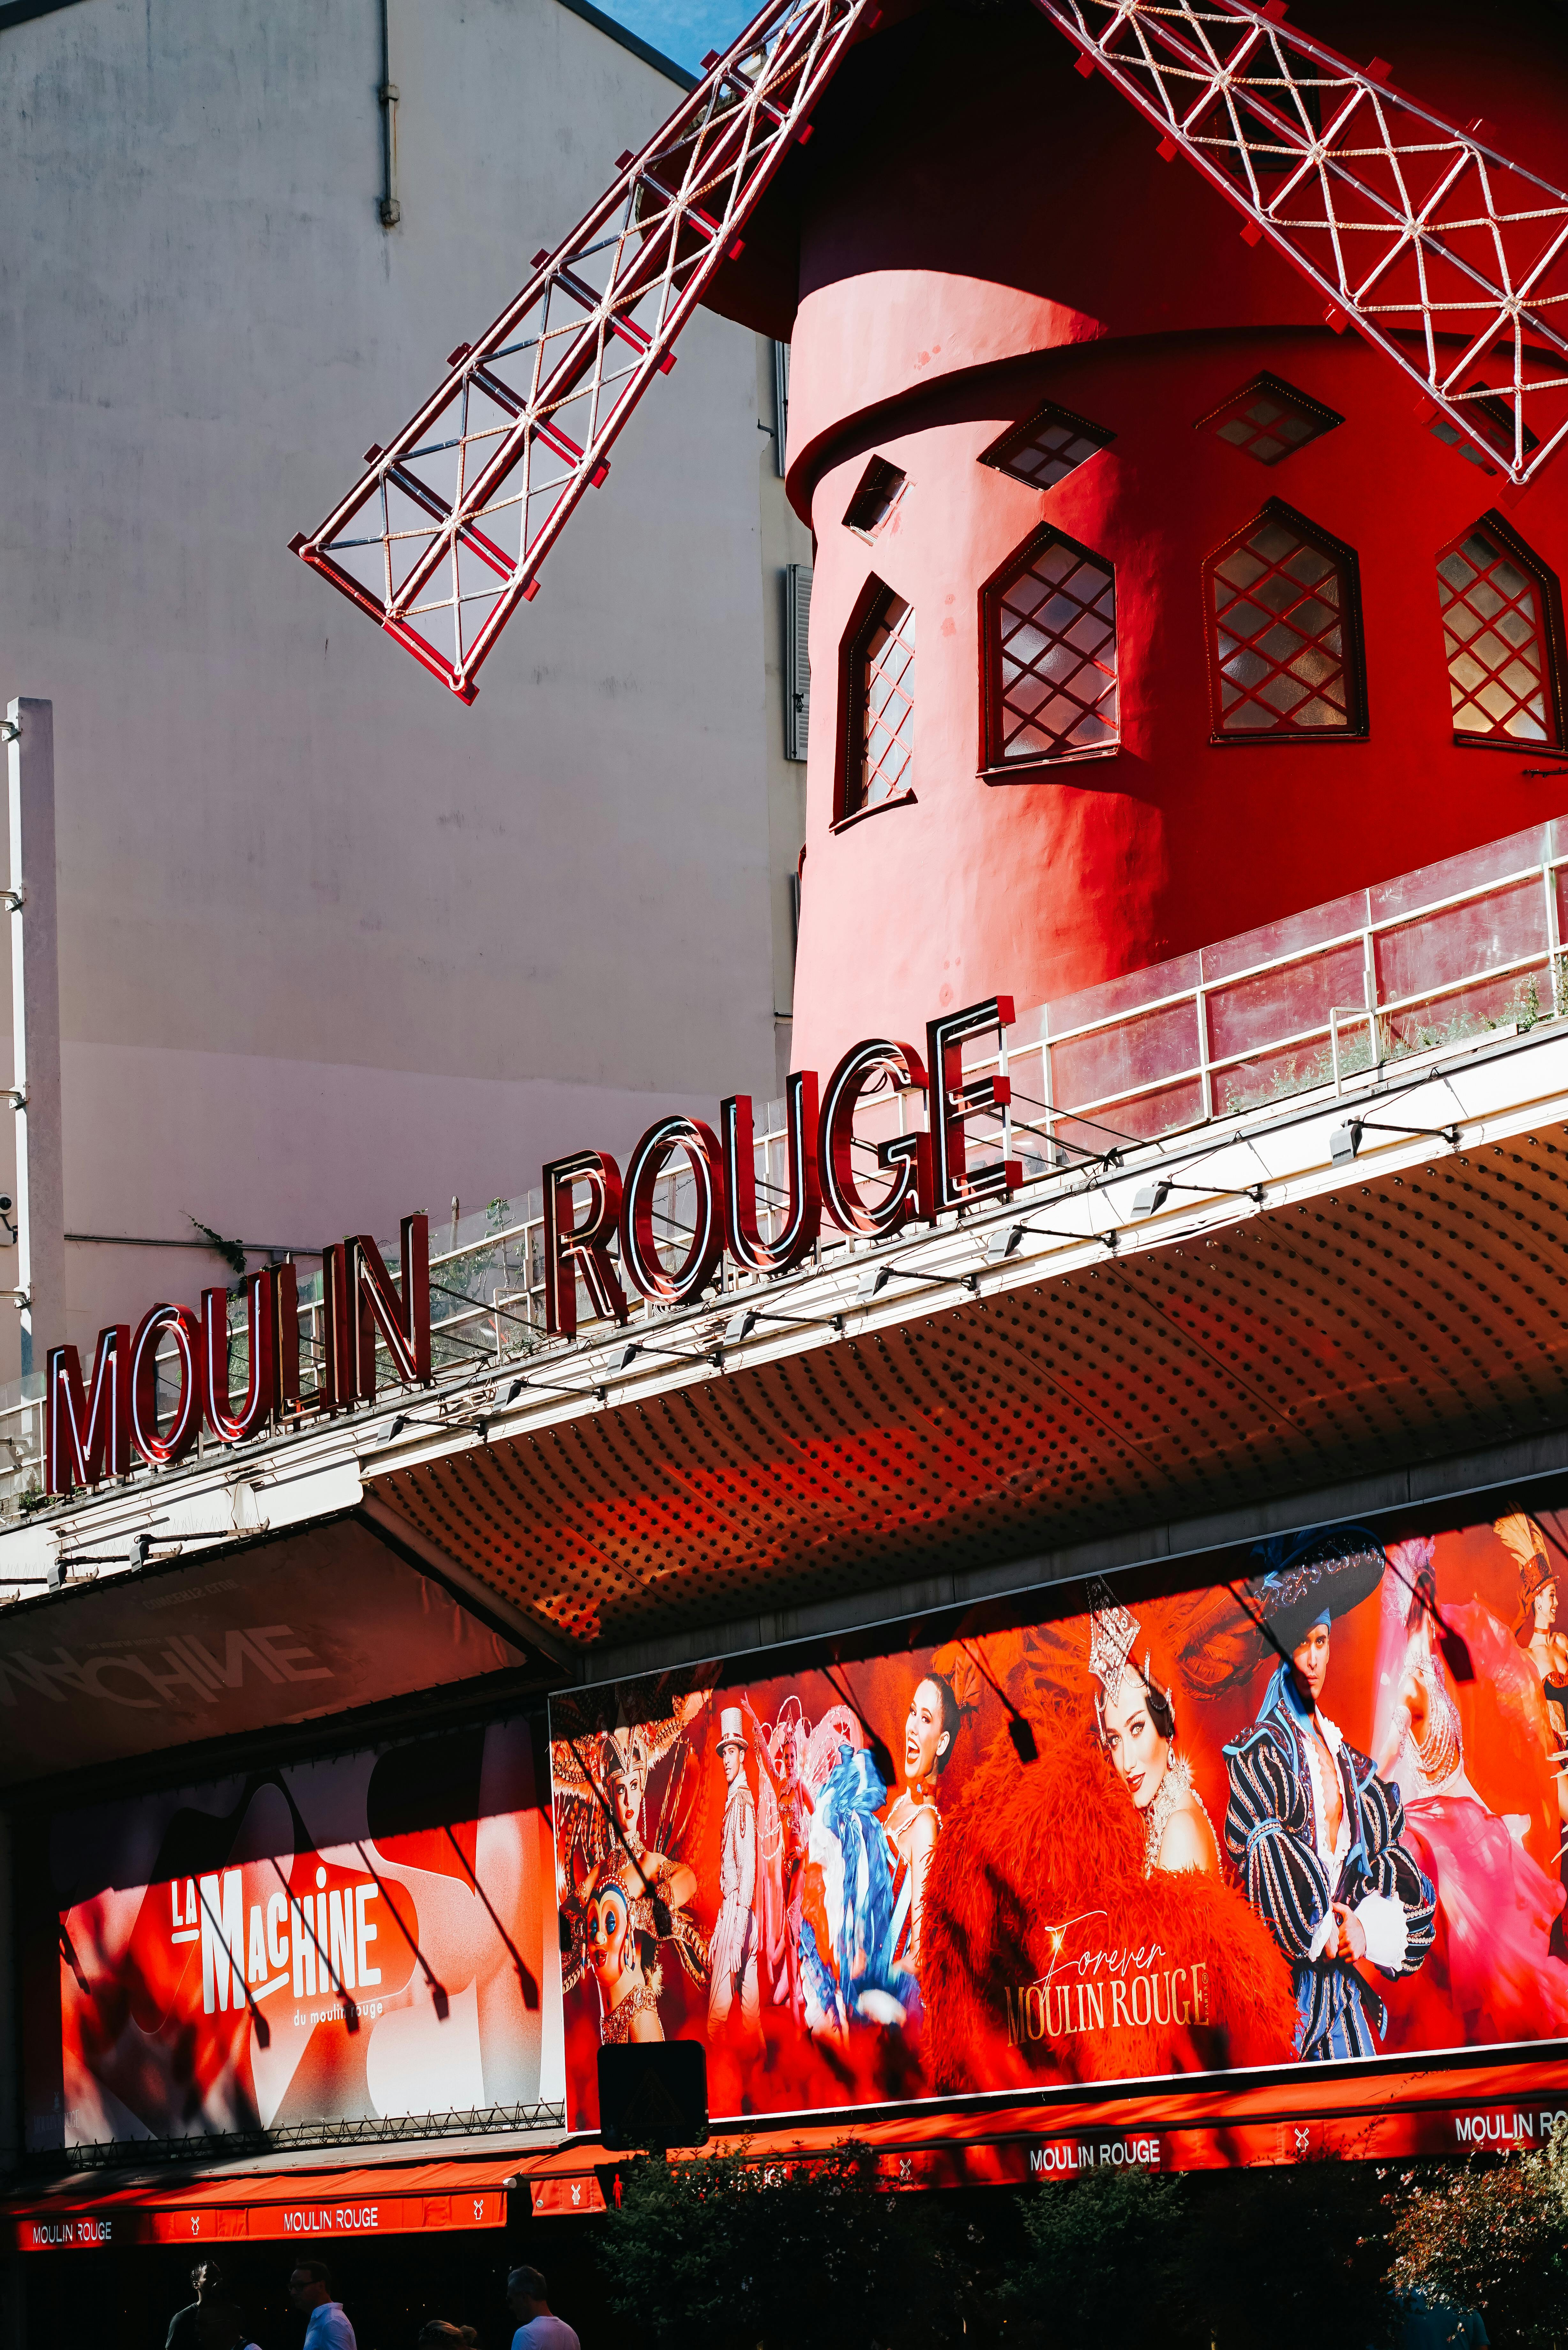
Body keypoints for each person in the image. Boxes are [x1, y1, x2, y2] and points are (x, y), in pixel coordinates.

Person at [1225, 1529, 1435, 2060]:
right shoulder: (1261, 1757)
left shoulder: (1352, 1766)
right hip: (1285, 2016)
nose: (1313, 1660)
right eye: (1300, 1643)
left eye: (1321, 1642)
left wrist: (1364, 1931)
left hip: (1346, 2011)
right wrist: (1326, 1935)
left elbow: (1401, 1881)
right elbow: (1273, 1898)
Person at [1374, 1536, 1568, 2044]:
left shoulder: (1435, 1672)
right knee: (1479, 1891)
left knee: (1503, 1855)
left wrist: (1493, 1820)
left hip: (1459, 1807)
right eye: (1420, 1606)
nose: (1429, 1612)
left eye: (1429, 1600)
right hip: (1431, 1819)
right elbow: (1383, 1765)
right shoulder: (1410, 1687)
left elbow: (1454, 1764)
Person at [1089, 1584, 1220, 1876]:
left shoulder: (1180, 1829)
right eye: (1114, 1740)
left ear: (1166, 1721)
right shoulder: (1168, 1818)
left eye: (1137, 1728)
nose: (1126, 1763)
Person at [881, 1663, 974, 1967]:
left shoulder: (925, 1824)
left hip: (890, 2003)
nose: (912, 1726)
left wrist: (873, 1987)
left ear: (942, 1743)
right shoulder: (897, 1807)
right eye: (912, 1712)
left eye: (925, 1719)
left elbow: (920, 1956)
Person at [707, 1705, 763, 2052]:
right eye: (723, 1753)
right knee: (751, 2015)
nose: (726, 1760)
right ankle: (764, 2085)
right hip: (739, 1918)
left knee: (715, 2018)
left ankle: (716, 2093)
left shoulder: (742, 1803)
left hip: (739, 1916)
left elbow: (748, 1871)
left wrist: (734, 1932)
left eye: (731, 1752)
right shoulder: (737, 1800)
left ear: (742, 1755)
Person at [167, 2261, 244, 2350]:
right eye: (210, 2276)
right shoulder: (182, 2318)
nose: (217, 2280)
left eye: (219, 2276)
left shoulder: (235, 2313)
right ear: (196, 2285)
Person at [507, 2265, 580, 2350]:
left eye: (510, 2300)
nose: (511, 2307)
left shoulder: (526, 2335)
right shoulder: (571, 2334)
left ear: (524, 2297)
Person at [288, 2259, 356, 2350]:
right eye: (292, 2287)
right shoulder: (326, 2320)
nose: (293, 2292)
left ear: (321, 2286)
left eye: (300, 2286)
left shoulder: (332, 2322)